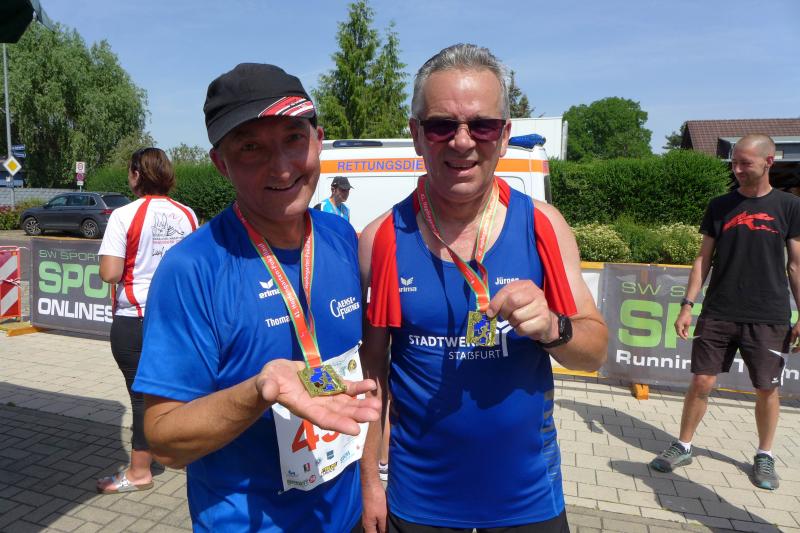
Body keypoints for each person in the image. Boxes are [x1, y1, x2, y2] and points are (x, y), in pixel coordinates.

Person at [358, 44, 608, 532]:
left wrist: (554, 328)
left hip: (528, 500)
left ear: (505, 134)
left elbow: (594, 353)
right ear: (416, 135)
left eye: (482, 125)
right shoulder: (380, 239)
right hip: (418, 501)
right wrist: (370, 481)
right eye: (441, 125)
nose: (462, 141)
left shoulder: (543, 226)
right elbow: (373, 375)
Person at [131, 63, 381, 531]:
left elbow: (363, 371)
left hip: (345, 516)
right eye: (251, 148)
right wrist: (258, 391)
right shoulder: (192, 269)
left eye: (294, 138)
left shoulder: (341, 237)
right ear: (220, 163)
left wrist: (371, 485)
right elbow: (163, 439)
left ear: (318, 140)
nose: (282, 167)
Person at [650, 134, 800, 491]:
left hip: (768, 314)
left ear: (768, 162)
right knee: (702, 381)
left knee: (766, 388)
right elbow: (703, 258)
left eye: (745, 163)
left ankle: (764, 455)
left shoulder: (789, 206)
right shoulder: (720, 205)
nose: (737, 169)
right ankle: (683, 445)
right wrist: (687, 304)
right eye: (734, 162)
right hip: (718, 311)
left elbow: (796, 264)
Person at [96, 147, 198, 493]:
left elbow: (110, 273)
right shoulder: (187, 214)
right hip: (179, 319)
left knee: (141, 397)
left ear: (137, 174)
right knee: (172, 391)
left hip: (136, 318)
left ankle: (140, 471)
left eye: (130, 170)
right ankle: (164, 451)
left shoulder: (124, 215)